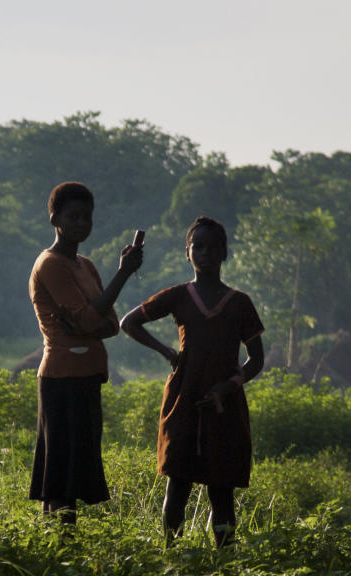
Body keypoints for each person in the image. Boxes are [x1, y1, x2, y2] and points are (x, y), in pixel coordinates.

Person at [120, 216, 264, 548]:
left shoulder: (239, 303)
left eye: (212, 247)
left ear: (224, 252)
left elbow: (256, 359)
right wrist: (167, 352)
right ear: (187, 252)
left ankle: (223, 562)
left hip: (224, 406)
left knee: (222, 492)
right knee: (177, 487)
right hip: (183, 400)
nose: (205, 253)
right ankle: (172, 556)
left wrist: (227, 387)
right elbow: (130, 323)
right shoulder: (178, 296)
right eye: (197, 246)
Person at [28, 181, 143, 523]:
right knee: (61, 475)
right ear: (54, 219)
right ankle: (61, 549)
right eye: (73, 216)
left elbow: (109, 324)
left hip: (86, 377)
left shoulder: (86, 265)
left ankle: (62, 548)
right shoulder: (50, 264)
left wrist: (87, 323)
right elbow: (92, 318)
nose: (81, 224)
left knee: (72, 470)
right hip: (62, 379)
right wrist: (123, 273)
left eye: (87, 217)